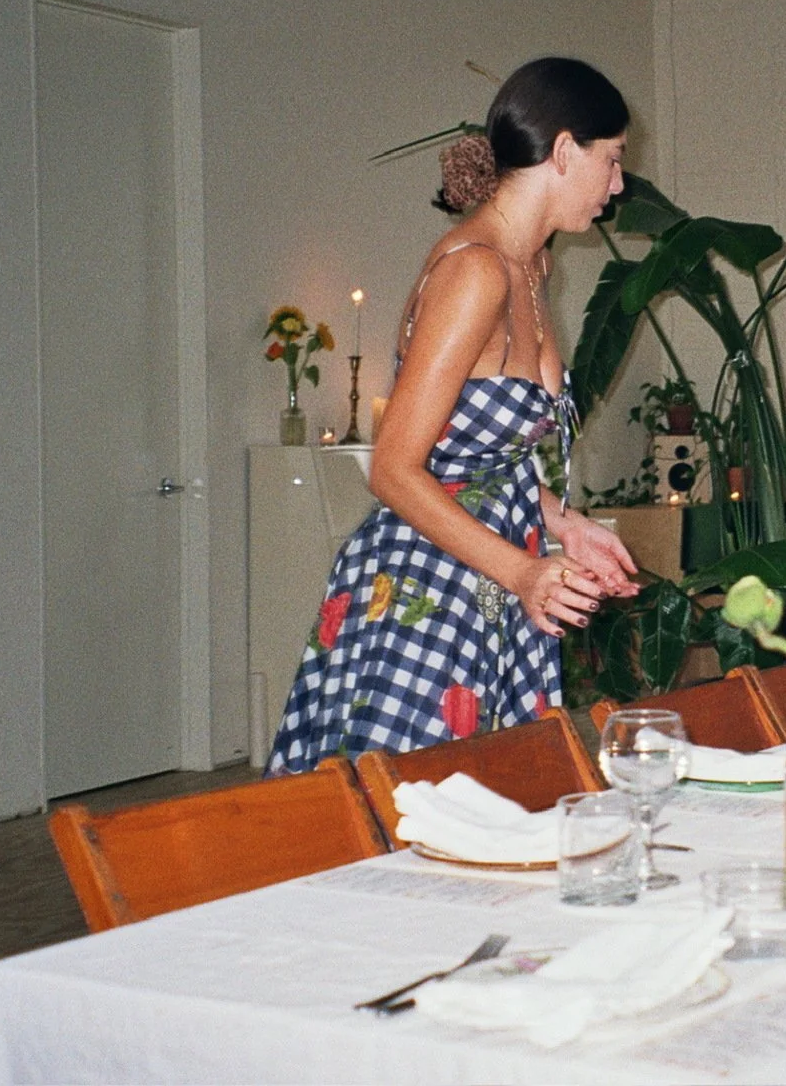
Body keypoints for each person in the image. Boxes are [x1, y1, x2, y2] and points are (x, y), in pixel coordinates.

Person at [267, 58, 640, 773]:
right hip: (425, 589)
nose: (618, 184)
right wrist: (524, 573)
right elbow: (393, 469)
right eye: (613, 159)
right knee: (405, 813)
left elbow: (474, 460)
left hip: (491, 582)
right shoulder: (475, 271)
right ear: (566, 151)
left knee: (490, 807)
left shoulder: (533, 265)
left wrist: (565, 523)